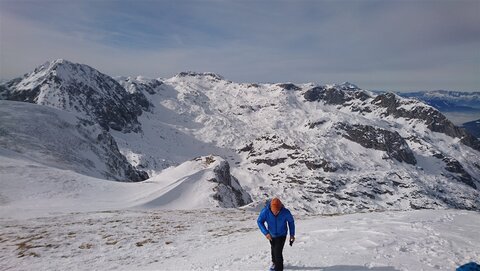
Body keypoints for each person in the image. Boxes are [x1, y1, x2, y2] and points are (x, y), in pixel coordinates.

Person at [257, 197, 295, 271]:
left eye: (277, 211)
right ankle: (274, 263)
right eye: (274, 211)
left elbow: (291, 222)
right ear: (271, 207)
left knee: (278, 253)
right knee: (273, 248)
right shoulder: (265, 211)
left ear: (280, 207)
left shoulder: (285, 212)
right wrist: (266, 233)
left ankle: (278, 268)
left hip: (282, 234)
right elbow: (259, 221)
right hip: (271, 235)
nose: (275, 212)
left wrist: (292, 234)